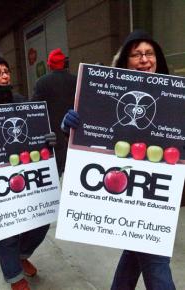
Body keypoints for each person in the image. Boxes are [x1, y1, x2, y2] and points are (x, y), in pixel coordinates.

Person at [61, 30, 176, 290]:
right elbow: (89, 130)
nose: (144, 59)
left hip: (158, 191)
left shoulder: (174, 96)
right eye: (136, 54)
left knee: (141, 250)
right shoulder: (106, 92)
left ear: (158, 59)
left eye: (149, 53)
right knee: (152, 257)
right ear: (125, 61)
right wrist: (69, 125)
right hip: (122, 187)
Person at [0, 53, 55, 290]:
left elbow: (34, 128)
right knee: (6, 228)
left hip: (26, 171)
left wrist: (46, 138)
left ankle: (22, 255)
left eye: (6, 70)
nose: (5, 74)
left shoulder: (18, 99)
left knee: (41, 220)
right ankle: (14, 277)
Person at [31, 48, 77, 177]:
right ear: (64, 63)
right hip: (72, 134)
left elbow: (34, 110)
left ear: (49, 64)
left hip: (51, 137)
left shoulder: (41, 82)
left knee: (55, 176)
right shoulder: (76, 80)